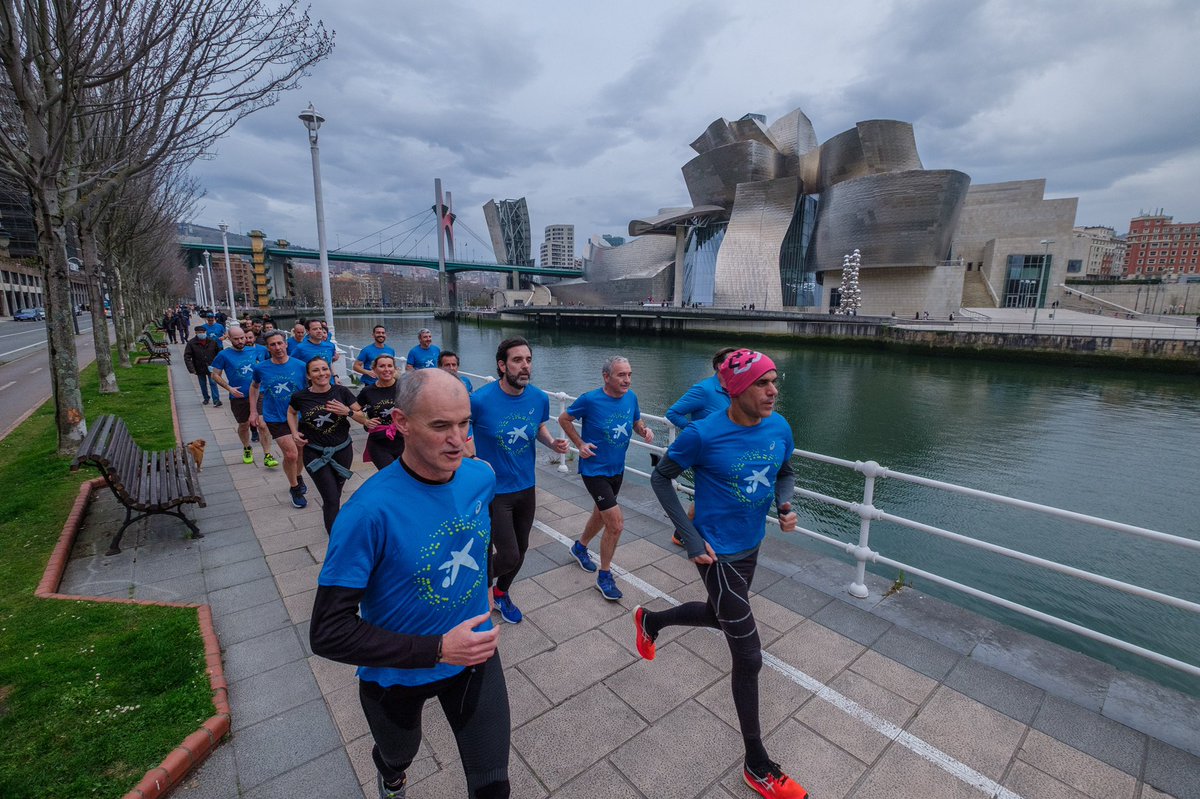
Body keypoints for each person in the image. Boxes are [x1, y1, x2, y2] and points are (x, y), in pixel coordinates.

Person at [309, 369, 510, 799]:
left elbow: (478, 541)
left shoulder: (481, 477)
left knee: (494, 788)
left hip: (474, 656)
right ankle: (392, 777)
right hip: (396, 677)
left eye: (464, 423)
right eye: (440, 426)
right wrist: (437, 649)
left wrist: (487, 584)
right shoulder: (367, 513)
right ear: (400, 422)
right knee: (400, 754)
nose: (457, 440)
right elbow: (327, 631)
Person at [634, 348, 807, 799]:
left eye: (774, 381)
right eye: (761, 383)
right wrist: (689, 536)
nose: (772, 391)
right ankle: (756, 764)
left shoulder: (779, 427)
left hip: (751, 546)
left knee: (718, 616)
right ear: (735, 389)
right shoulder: (703, 434)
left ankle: (650, 621)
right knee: (749, 657)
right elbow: (661, 478)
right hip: (717, 555)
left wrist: (784, 505)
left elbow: (784, 473)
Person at [470, 337, 569, 623]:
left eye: (528, 359)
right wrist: (469, 457)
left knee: (522, 549)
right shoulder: (480, 400)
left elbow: (537, 426)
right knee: (509, 555)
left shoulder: (538, 397)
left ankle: (501, 592)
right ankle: (475, 586)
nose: (525, 366)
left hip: (526, 487)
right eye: (517, 360)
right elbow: (461, 428)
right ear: (502, 365)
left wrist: (552, 443)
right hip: (495, 491)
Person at [557, 355, 654, 600]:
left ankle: (580, 547)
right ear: (606, 376)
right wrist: (579, 444)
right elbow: (563, 419)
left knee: (600, 514)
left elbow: (635, 419)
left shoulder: (631, 397)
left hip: (616, 469)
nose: (627, 380)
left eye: (629, 374)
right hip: (594, 470)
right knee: (616, 524)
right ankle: (604, 576)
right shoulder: (590, 400)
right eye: (621, 375)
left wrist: (643, 429)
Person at [664, 346, 736, 546]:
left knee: (710, 494)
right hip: (707, 453)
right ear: (719, 366)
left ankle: (682, 534)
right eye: (731, 362)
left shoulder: (736, 390)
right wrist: (695, 431)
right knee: (713, 494)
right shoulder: (704, 390)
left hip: (728, 453)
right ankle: (693, 535)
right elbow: (673, 413)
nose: (736, 366)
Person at [289, 357, 358, 535]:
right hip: (315, 454)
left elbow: (362, 415)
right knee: (332, 498)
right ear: (308, 375)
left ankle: (332, 516)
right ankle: (336, 539)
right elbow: (291, 412)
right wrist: (294, 432)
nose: (322, 373)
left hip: (343, 451)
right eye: (316, 370)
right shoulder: (300, 396)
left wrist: (347, 412)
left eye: (325, 369)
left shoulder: (341, 392)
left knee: (335, 494)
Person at [250, 331, 310, 508]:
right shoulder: (261, 368)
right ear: (268, 348)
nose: (277, 348)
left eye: (279, 343)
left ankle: (297, 476)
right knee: (291, 454)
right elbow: (254, 387)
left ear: (286, 344)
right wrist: (253, 411)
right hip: (275, 417)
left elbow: (310, 389)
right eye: (272, 345)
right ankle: (294, 488)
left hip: (299, 416)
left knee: (300, 452)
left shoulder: (300, 366)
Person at [210, 326, 276, 467]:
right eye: (236, 339)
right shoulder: (223, 355)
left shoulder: (259, 350)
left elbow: (273, 363)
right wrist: (229, 388)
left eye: (242, 338)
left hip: (260, 393)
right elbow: (215, 374)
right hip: (239, 396)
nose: (241, 341)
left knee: (263, 424)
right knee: (244, 424)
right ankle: (247, 447)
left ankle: (268, 454)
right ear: (229, 338)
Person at [351, 354, 405, 470]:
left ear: (394, 369)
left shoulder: (403, 388)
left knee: (408, 477)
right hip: (379, 443)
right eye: (382, 366)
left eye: (390, 366)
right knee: (390, 475)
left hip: (404, 441)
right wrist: (365, 421)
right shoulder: (368, 391)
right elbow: (355, 409)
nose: (386, 369)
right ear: (374, 369)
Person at [183, 324, 222, 406]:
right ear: (196, 333)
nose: (202, 333)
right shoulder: (191, 343)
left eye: (203, 332)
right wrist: (191, 369)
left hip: (211, 366)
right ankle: (206, 398)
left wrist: (218, 366)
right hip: (199, 367)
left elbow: (218, 354)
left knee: (213, 383)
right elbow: (187, 357)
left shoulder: (212, 342)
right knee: (202, 384)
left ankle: (216, 400)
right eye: (200, 332)